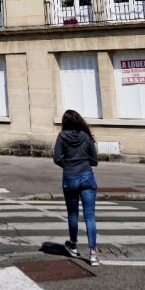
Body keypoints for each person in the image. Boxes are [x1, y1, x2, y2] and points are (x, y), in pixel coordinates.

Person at [53, 109, 99, 266]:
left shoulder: (61, 137)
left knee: (73, 214)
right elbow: (94, 160)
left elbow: (56, 158)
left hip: (70, 178)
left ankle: (73, 245)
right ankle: (93, 254)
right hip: (87, 176)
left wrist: (68, 165)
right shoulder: (85, 137)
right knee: (90, 216)